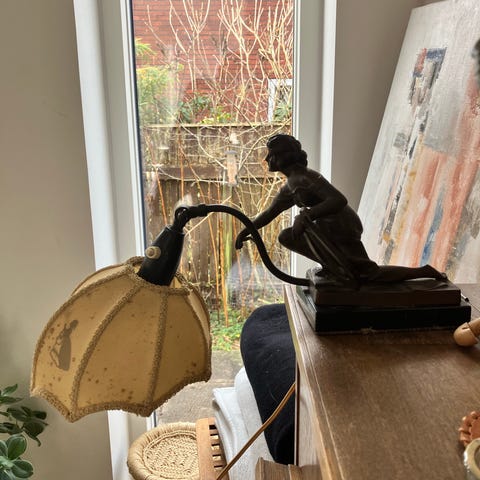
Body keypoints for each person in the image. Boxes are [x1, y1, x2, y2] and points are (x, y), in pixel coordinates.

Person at [235, 134, 446, 285]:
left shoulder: (305, 178)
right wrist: (245, 231)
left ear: (283, 156)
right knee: (286, 237)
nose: (266, 159)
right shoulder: (291, 184)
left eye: (270, 154)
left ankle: (424, 272)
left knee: (368, 274)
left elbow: (338, 200)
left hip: (342, 225)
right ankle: (334, 269)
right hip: (328, 227)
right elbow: (269, 214)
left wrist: (306, 215)